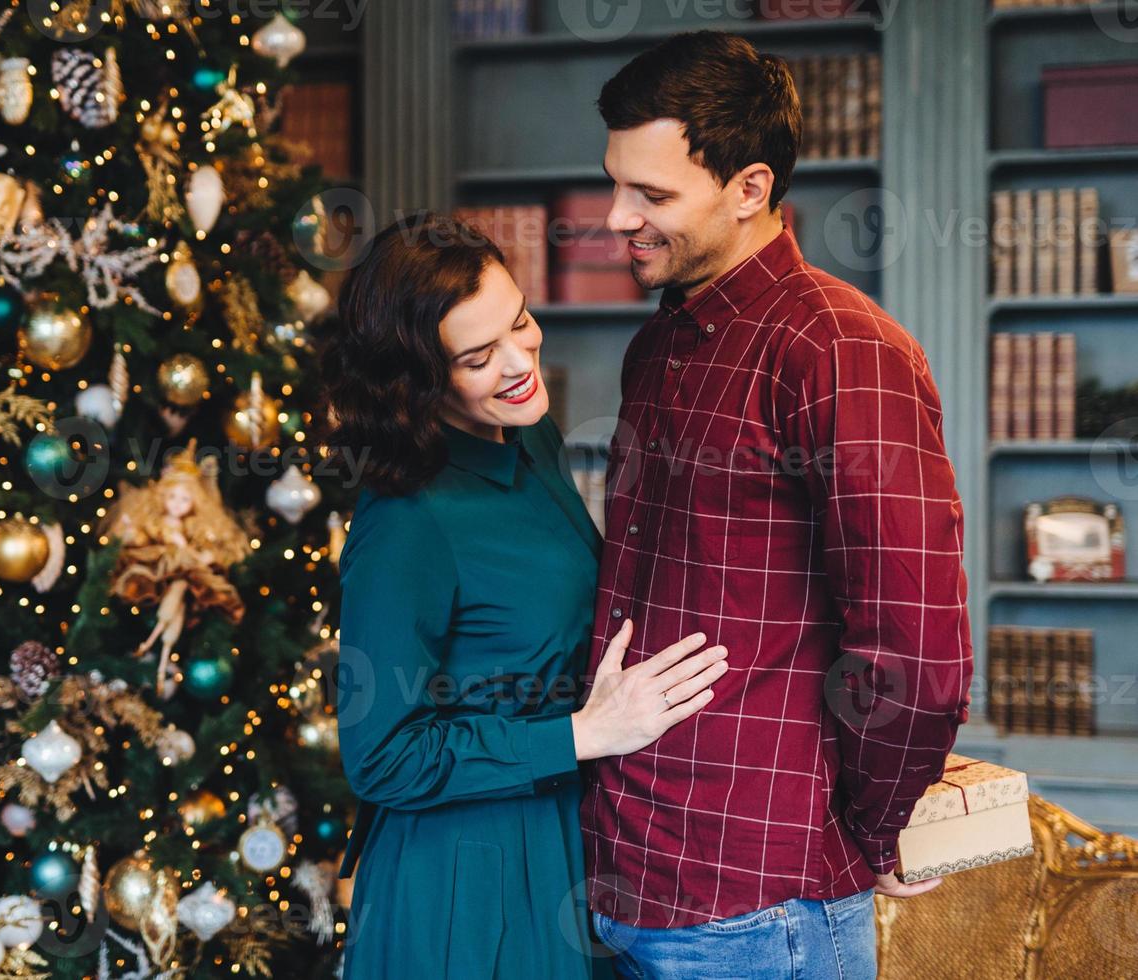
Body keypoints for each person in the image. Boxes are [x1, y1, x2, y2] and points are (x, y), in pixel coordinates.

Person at [580, 31, 975, 980]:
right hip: (627, 870)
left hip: (763, 902)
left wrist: (872, 836)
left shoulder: (840, 346)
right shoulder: (658, 345)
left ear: (749, 188)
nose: (615, 217)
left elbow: (917, 646)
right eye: (617, 183)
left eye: (653, 195)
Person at [320, 212, 729, 979]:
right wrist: (578, 735)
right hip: (461, 879)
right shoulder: (406, 521)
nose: (519, 362)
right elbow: (379, 759)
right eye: (478, 357)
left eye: (520, 323)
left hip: (565, 840)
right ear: (419, 379)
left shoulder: (527, 433)